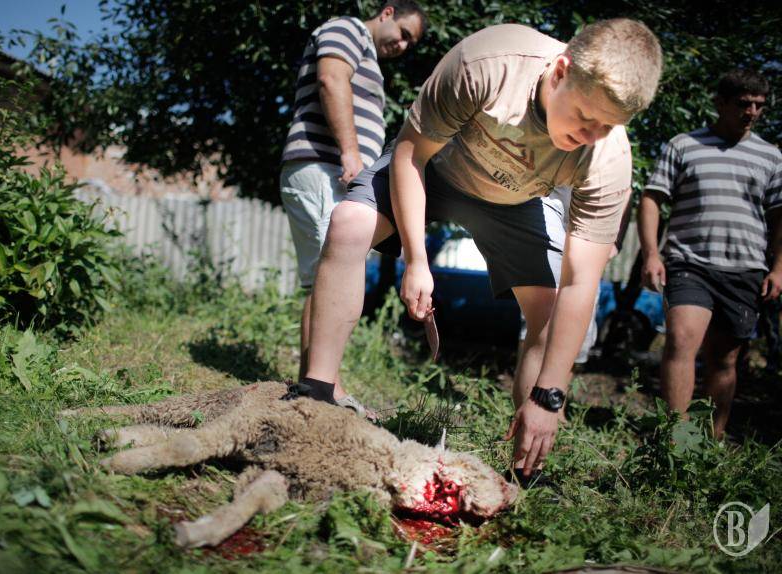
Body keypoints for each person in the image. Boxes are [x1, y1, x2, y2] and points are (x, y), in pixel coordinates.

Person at [294, 18, 662, 478]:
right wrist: (417, 260)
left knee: (549, 308)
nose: (591, 136)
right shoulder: (490, 62)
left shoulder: (608, 160)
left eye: (607, 126)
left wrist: (550, 395)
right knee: (349, 223)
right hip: (437, 169)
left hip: (516, 202)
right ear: (561, 71)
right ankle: (316, 394)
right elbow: (412, 154)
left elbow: (581, 282)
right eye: (585, 117)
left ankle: (527, 463)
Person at [279, 1, 426, 416]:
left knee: (325, 278)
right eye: (403, 33)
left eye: (410, 43)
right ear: (387, 11)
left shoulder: (366, 53)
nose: (403, 45)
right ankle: (324, 388)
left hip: (335, 170)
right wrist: (350, 152)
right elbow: (331, 78)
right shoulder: (347, 29)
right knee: (329, 277)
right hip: (325, 164)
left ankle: (315, 387)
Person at [638, 69, 782, 438]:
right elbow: (652, 198)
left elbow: (779, 216)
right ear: (720, 103)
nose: (752, 112)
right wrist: (651, 253)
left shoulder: (771, 156)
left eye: (759, 105)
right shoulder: (684, 145)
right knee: (681, 340)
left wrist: (779, 269)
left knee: (725, 358)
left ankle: (711, 441)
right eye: (743, 104)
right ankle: (675, 439)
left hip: (745, 267)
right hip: (690, 262)